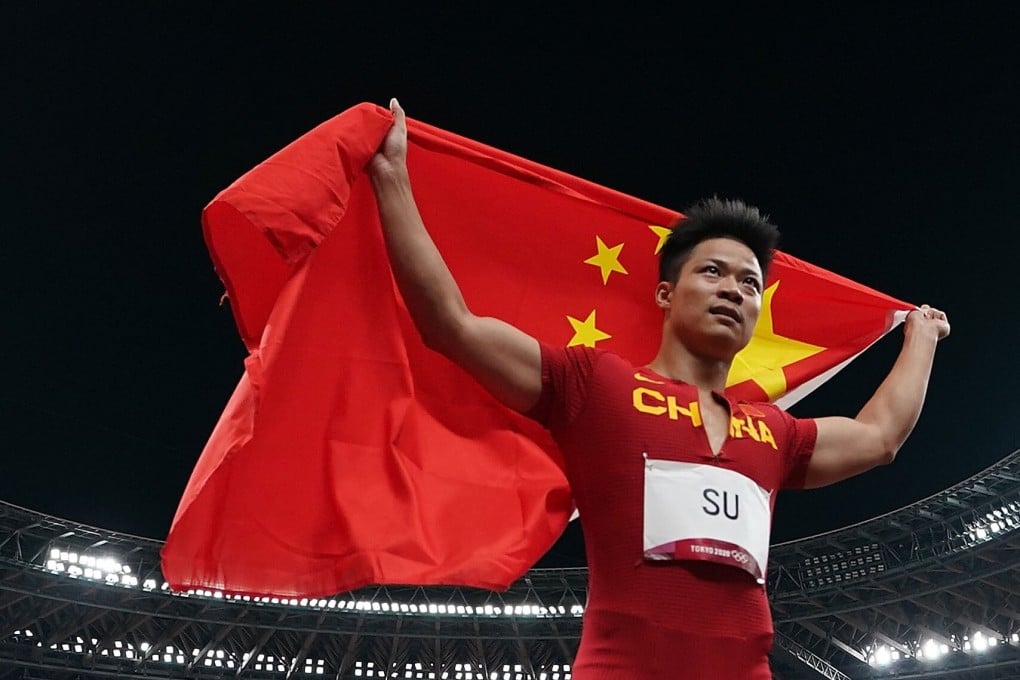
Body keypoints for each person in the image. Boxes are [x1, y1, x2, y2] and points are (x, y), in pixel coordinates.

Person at [368, 98, 950, 679]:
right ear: (665, 295)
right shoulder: (595, 385)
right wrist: (393, 176)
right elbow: (452, 324)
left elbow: (879, 437)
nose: (733, 290)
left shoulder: (773, 431)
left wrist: (920, 337)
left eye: (750, 284)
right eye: (712, 271)